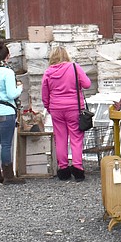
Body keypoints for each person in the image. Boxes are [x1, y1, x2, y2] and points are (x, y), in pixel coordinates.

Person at [40, 46, 91, 181]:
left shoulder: (48, 72)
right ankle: (77, 168)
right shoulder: (74, 67)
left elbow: (44, 94)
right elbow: (87, 84)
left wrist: (49, 107)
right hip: (74, 108)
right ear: (66, 56)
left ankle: (63, 169)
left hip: (56, 108)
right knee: (76, 138)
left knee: (60, 138)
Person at [0, 40, 24, 185]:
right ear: (8, 56)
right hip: (5, 110)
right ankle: (8, 176)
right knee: (6, 144)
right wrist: (20, 87)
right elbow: (11, 94)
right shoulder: (7, 72)